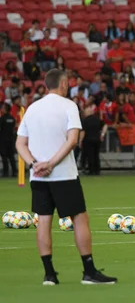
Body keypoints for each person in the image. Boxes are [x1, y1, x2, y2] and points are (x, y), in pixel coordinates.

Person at [15, 69, 117, 285]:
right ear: (62, 84)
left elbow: (20, 144)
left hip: (38, 178)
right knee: (80, 218)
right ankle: (88, 271)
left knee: (43, 221)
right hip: (63, 175)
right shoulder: (68, 106)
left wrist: (35, 165)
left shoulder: (32, 108)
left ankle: (49, 274)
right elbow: (72, 140)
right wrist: (51, 164)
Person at [79, 106, 107, 176]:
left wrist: (80, 141)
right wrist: (102, 134)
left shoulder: (84, 121)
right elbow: (105, 125)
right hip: (97, 140)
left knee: (90, 155)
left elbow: (83, 132)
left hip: (88, 140)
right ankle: (97, 170)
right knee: (96, 155)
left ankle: (91, 171)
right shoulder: (97, 119)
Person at [0, 103, 18, 177]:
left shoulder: (2, 119)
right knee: (11, 157)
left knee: (4, 157)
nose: (2, 109)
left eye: (3, 108)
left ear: (5, 109)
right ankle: (14, 172)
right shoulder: (12, 118)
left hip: (3, 140)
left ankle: (5, 172)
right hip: (11, 140)